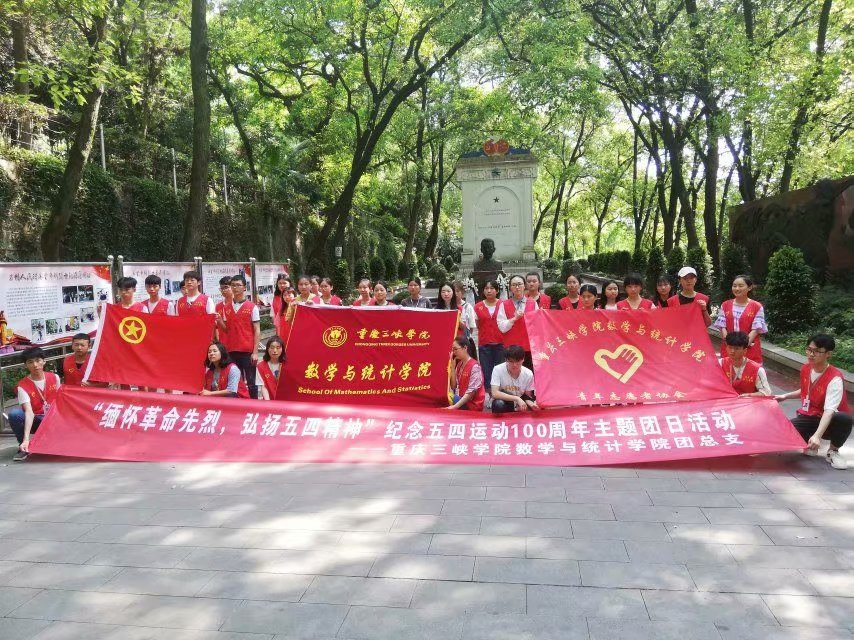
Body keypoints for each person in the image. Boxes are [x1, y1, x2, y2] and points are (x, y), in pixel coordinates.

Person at [775, 334, 851, 470]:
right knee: (787, 430)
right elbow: (806, 390)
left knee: (844, 418)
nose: (811, 354)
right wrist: (785, 396)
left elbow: (829, 411)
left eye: (817, 351)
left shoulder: (835, 378)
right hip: (810, 415)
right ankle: (809, 442)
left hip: (831, 420)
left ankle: (833, 451)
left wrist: (817, 436)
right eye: (809, 349)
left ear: (828, 354)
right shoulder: (806, 368)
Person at [10, 347, 61, 461]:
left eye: (38, 360)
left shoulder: (55, 377)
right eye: (30, 362)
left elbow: (60, 401)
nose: (35, 365)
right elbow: (29, 412)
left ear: (44, 361)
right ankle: (24, 447)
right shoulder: (22, 385)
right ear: (25, 365)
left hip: (53, 418)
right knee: (14, 414)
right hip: (36, 420)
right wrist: (26, 439)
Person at [715, 275, 767, 363]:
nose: (737, 288)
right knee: (728, 370)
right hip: (729, 348)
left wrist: (743, 346)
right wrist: (730, 345)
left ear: (749, 287)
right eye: (734, 286)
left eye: (741, 286)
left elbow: (756, 329)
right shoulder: (725, 305)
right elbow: (722, 327)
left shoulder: (757, 306)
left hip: (748, 348)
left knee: (748, 370)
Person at [226, 274, 261, 399]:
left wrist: (255, 352)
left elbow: (257, 329)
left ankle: (254, 405)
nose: (235, 288)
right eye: (233, 285)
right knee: (236, 382)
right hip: (232, 350)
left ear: (244, 288)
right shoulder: (227, 307)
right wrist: (218, 321)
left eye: (238, 285)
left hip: (247, 351)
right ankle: (240, 405)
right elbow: (226, 330)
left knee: (251, 382)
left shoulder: (252, 307)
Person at [497, 275, 537, 369]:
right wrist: (514, 319)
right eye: (514, 285)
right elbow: (501, 327)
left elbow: (537, 326)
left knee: (529, 373)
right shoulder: (504, 304)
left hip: (528, 347)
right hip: (511, 348)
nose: (517, 287)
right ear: (510, 287)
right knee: (511, 374)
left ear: (524, 286)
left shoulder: (533, 303)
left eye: (519, 284)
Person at [719, 331, 771, 397]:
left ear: (745, 351)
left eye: (736, 348)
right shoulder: (720, 364)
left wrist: (749, 395)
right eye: (730, 347)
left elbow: (766, 393)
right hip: (725, 401)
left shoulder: (757, 370)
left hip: (747, 402)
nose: (732, 351)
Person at [474, 280, 504, 395]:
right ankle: (491, 394)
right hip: (484, 344)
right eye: (486, 288)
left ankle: (502, 394)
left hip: (501, 343)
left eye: (492, 288)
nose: (489, 291)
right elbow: (478, 324)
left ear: (497, 290)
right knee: (487, 371)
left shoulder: (503, 304)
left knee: (501, 370)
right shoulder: (478, 307)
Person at [490, 344, 539, 413]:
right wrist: (516, 398)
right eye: (511, 361)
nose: (514, 365)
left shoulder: (528, 374)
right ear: (506, 360)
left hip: (520, 404)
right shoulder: (497, 369)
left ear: (523, 360)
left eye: (517, 361)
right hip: (505, 401)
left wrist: (532, 405)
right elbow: (495, 393)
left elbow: (527, 396)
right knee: (498, 404)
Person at [448, 336, 485, 411]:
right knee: (446, 396)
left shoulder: (475, 367)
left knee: (448, 398)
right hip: (461, 400)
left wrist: (454, 407)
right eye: (452, 350)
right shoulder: (459, 364)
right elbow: (453, 386)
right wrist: (452, 367)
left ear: (465, 348)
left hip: (472, 404)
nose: (453, 352)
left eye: (455, 349)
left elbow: (470, 393)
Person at [257, 336, 285, 401]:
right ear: (267, 349)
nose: (275, 351)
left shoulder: (287, 365)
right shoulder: (260, 366)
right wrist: (268, 403)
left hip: (286, 402)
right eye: (272, 347)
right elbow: (263, 387)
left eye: (278, 348)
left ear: (282, 349)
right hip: (269, 401)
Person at [214, 276, 234, 346]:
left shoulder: (237, 305)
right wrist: (218, 340)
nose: (223, 290)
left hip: (236, 343)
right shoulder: (218, 306)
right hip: (222, 344)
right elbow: (216, 326)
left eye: (226, 287)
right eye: (221, 288)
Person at [271, 274, 290, 339]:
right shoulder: (275, 298)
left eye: (284, 283)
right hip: (280, 331)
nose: (282, 285)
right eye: (280, 283)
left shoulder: (295, 296)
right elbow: (273, 316)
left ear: (289, 283)